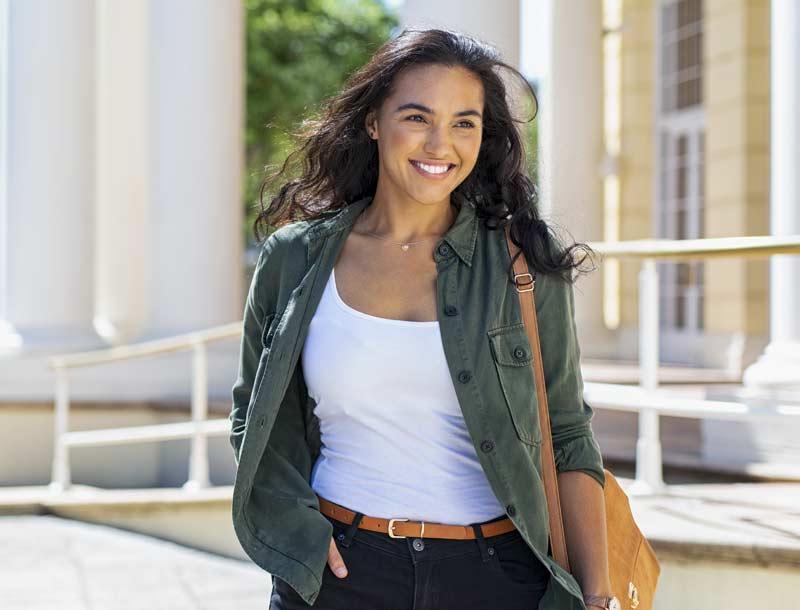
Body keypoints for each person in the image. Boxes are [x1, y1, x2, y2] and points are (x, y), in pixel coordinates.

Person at [230, 28, 617, 610]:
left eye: (465, 122)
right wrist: (299, 540)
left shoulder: (522, 265)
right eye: (417, 117)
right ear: (373, 122)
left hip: (496, 577)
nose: (441, 145)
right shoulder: (296, 257)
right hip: (337, 571)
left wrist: (598, 593)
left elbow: (566, 435)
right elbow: (255, 416)